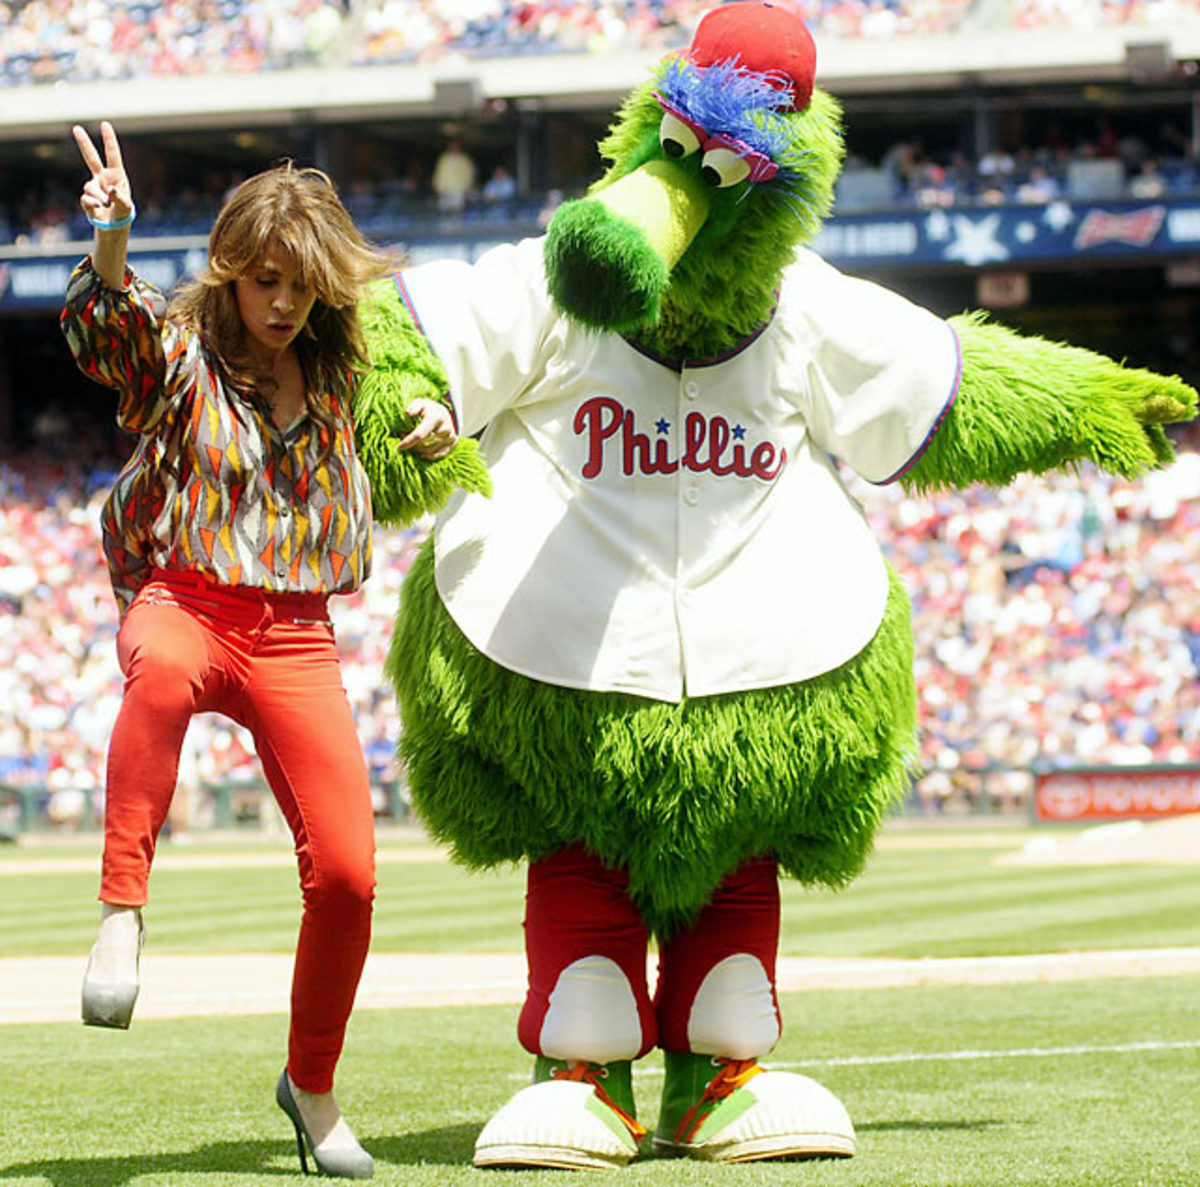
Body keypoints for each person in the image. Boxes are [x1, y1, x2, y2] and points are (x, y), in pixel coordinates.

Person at [61, 120, 457, 1181]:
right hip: (185, 598)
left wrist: (433, 420)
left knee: (350, 877)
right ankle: (121, 913)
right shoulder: (184, 353)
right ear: (232, 271)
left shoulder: (339, 370)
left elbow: (415, 416)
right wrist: (112, 242)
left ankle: (311, 1084)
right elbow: (115, 333)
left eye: (302, 285)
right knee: (161, 670)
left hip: (296, 631)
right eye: (265, 280)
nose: (282, 303)